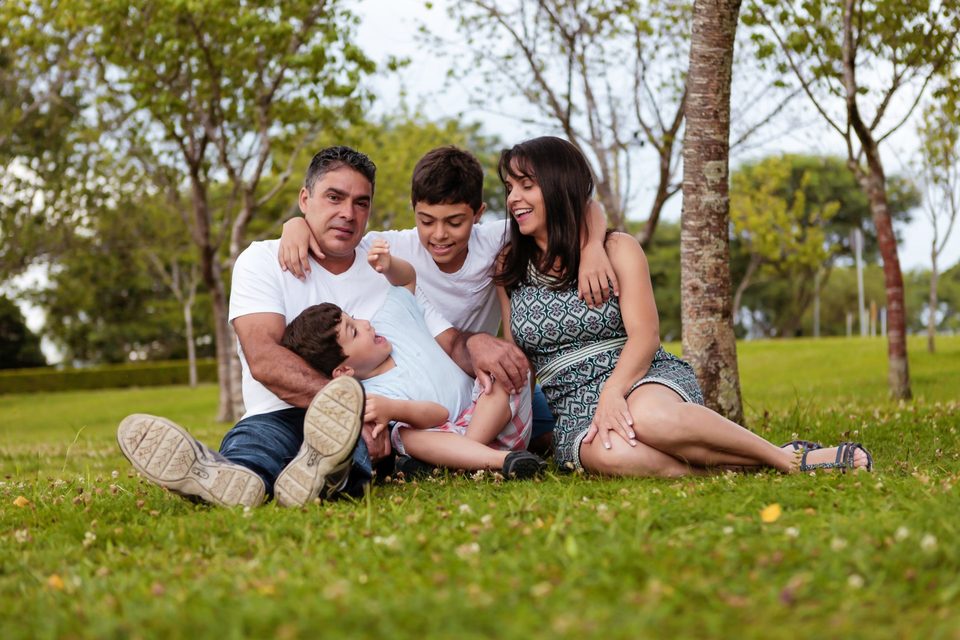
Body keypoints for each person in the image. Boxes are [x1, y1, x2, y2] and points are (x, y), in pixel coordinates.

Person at [118, 146, 523, 509]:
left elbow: (441, 330)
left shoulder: (383, 255)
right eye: (334, 197)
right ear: (304, 199)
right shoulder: (262, 260)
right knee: (259, 440)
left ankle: (312, 477)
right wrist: (351, 408)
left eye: (360, 202)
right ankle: (230, 476)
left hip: (365, 423)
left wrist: (482, 343)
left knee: (350, 450)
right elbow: (263, 358)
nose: (348, 213)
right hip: (288, 409)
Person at [493, 136, 874, 476]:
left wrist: (612, 392)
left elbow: (645, 336)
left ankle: (785, 459)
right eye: (510, 188)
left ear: (560, 188)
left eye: (527, 186)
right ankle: (735, 467)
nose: (513, 199)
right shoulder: (508, 266)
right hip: (572, 404)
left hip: (639, 378)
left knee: (649, 419)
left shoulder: (616, 248)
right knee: (615, 455)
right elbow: (518, 360)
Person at [277, 146, 617, 456]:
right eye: (426, 221)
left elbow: (587, 206)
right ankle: (476, 454)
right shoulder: (391, 248)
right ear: (414, 210)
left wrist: (591, 248)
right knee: (413, 433)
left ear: (479, 213)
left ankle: (471, 452)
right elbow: (338, 231)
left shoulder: (498, 239)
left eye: (455, 222)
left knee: (544, 421)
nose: (439, 235)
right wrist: (294, 225)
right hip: (427, 395)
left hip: (481, 385)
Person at [281, 239, 546, 478]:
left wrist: (389, 265)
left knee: (502, 370)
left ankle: (466, 462)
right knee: (403, 435)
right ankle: (501, 462)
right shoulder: (373, 396)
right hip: (445, 442)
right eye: (354, 331)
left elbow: (406, 280)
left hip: (496, 419)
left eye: (354, 318)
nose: (365, 323)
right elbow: (439, 414)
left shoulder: (391, 321)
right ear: (344, 370)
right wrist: (392, 410)